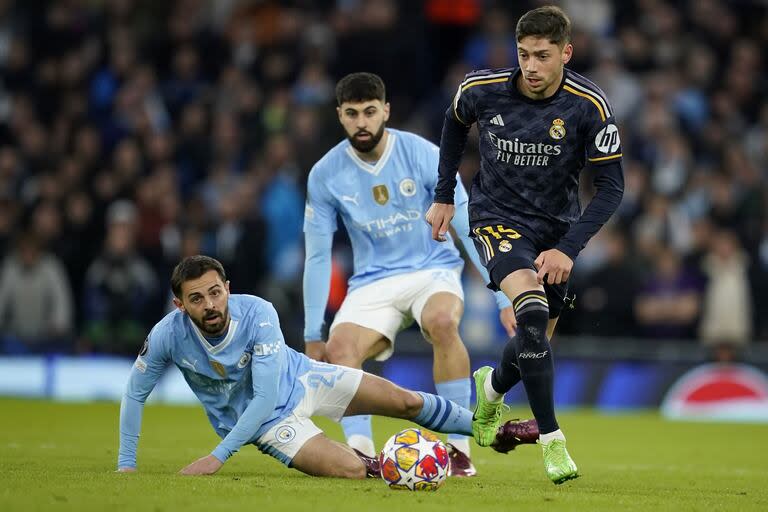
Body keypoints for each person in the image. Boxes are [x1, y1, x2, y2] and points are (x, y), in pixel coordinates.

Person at [426, 6, 624, 484]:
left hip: (556, 232)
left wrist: (568, 249)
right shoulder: (481, 89)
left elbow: (612, 188)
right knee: (531, 314)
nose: (531, 66)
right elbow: (454, 124)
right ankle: (554, 442)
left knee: (532, 341)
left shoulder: (588, 105)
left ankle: (490, 391)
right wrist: (444, 196)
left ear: (566, 53)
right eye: (523, 54)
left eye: (542, 55)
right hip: (495, 219)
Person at [117, 255, 537, 477]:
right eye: (196, 299)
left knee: (404, 401)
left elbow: (265, 393)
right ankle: (394, 467)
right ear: (180, 305)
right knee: (350, 470)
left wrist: (217, 458)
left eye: (215, 293)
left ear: (228, 289)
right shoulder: (167, 336)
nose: (210, 305)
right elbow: (135, 393)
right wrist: (126, 464)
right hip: (265, 425)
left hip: (299, 377)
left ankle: (495, 432)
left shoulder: (258, 313)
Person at [302, 72, 520, 476]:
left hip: (431, 270)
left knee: (442, 322)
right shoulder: (325, 174)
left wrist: (502, 295)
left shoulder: (422, 154)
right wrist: (313, 330)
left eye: (370, 111)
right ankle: (361, 451)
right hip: (372, 281)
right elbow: (317, 255)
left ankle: (458, 449)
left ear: (385, 110)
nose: (362, 122)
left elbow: (468, 223)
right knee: (340, 348)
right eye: (352, 114)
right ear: (340, 116)